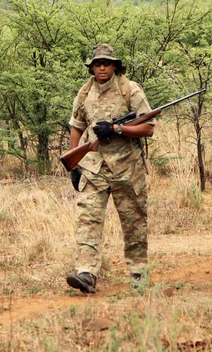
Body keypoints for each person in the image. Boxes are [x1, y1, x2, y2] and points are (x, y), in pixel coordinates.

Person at [66, 44, 154, 294]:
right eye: (97, 63)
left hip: (127, 168)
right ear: (91, 67)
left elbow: (148, 128)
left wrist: (117, 129)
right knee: (88, 219)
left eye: (106, 63)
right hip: (94, 169)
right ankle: (86, 273)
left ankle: (139, 273)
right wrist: (73, 162)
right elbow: (77, 126)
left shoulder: (131, 90)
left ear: (115, 65)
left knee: (134, 222)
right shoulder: (84, 93)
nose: (102, 67)